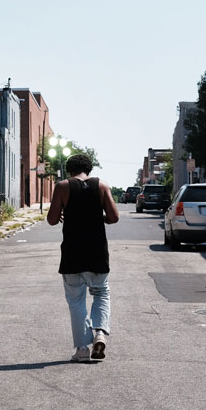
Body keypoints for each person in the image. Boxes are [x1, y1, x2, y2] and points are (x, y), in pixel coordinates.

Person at [46, 154, 120, 362]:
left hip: (72, 252)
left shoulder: (62, 187)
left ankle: (81, 349)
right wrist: (98, 217)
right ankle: (100, 333)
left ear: (69, 169)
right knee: (101, 293)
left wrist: (64, 213)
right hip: (97, 251)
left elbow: (52, 220)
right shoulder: (102, 186)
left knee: (76, 300)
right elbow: (114, 217)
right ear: (89, 169)